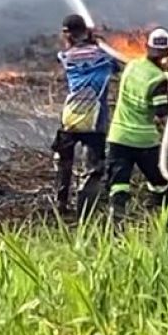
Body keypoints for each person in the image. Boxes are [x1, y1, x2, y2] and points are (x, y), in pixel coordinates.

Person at [52, 14, 124, 219]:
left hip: (71, 118)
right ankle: (84, 212)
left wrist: (87, 41)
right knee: (93, 169)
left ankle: (61, 203)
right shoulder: (103, 57)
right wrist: (99, 43)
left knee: (63, 162)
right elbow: (118, 66)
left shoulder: (66, 57)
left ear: (68, 34)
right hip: (95, 121)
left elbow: (64, 55)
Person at [105, 28, 168, 218]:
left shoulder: (131, 66)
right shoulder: (158, 79)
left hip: (118, 136)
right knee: (160, 183)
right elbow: (161, 113)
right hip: (143, 141)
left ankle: (116, 224)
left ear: (146, 47)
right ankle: (164, 218)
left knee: (119, 184)